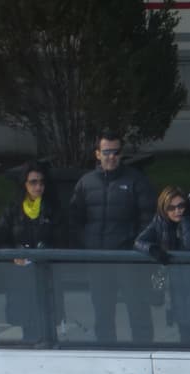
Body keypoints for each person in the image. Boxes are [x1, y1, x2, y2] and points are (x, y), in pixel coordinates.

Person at [68, 131, 157, 343]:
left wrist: (135, 245)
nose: (111, 157)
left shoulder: (136, 181)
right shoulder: (85, 183)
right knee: (102, 313)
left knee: (138, 310)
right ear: (97, 154)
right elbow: (74, 218)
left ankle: (144, 353)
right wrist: (87, 242)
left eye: (116, 152)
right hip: (98, 260)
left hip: (129, 260)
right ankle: (107, 355)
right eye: (106, 152)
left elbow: (149, 219)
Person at [135, 186, 190, 344]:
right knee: (183, 331)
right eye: (171, 208)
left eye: (181, 206)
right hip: (176, 284)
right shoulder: (159, 221)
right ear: (164, 209)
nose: (177, 211)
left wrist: (185, 220)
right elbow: (139, 241)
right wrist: (154, 249)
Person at [0, 160, 64, 341]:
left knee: (47, 321)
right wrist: (14, 255)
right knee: (27, 323)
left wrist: (46, 250)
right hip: (22, 275)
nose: (38, 186)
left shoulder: (53, 208)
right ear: (24, 184)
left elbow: (63, 238)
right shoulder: (14, 209)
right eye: (33, 182)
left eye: (41, 182)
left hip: (47, 273)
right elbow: (2, 238)